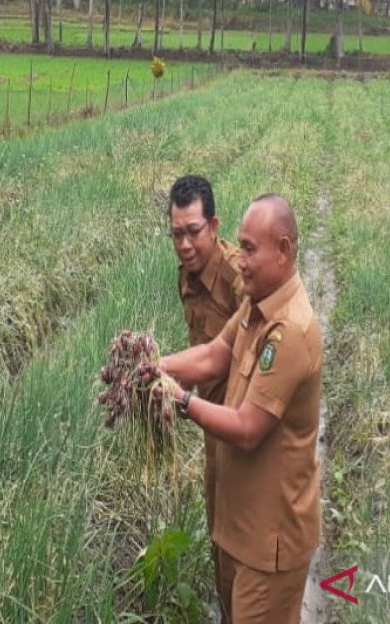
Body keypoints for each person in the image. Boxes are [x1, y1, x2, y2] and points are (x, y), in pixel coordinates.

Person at [158, 194, 322, 624]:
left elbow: (249, 428)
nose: (239, 259)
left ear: (283, 250)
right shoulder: (255, 304)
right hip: (238, 528)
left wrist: (180, 399)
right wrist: (153, 367)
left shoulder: (291, 332)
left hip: (269, 544)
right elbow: (214, 354)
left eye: (249, 249)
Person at [167, 174, 245, 611]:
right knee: (218, 535)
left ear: (214, 226)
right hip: (212, 426)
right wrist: (173, 393)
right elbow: (201, 353)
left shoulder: (238, 279)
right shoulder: (188, 276)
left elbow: (218, 355)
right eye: (176, 234)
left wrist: (158, 368)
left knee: (243, 543)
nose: (185, 244)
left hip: (247, 430)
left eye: (193, 232)